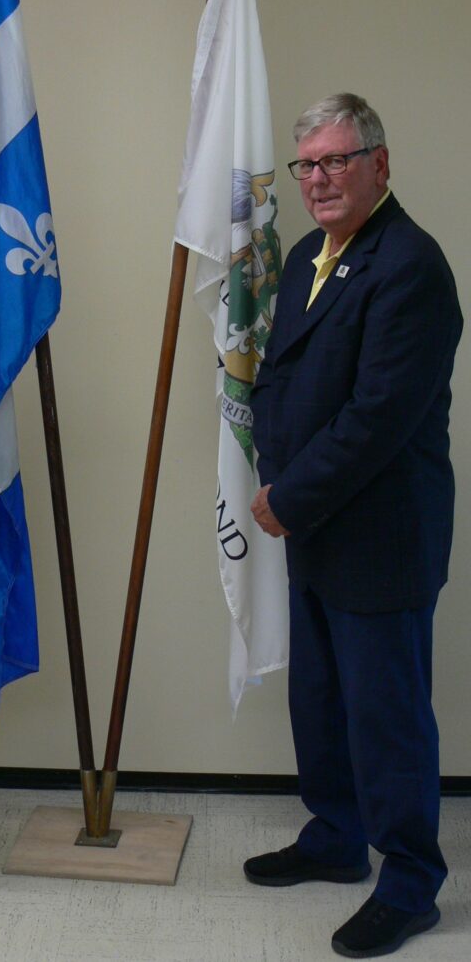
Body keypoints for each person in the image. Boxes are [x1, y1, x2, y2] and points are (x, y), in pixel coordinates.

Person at [246, 94, 462, 958]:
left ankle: (410, 882)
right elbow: (274, 378)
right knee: (323, 699)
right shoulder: (306, 256)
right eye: (308, 164)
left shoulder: (411, 265)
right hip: (316, 529)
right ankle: (336, 838)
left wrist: (287, 497)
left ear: (381, 162)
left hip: (381, 534)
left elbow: (377, 418)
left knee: (388, 715)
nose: (320, 179)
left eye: (339, 160)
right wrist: (278, 482)